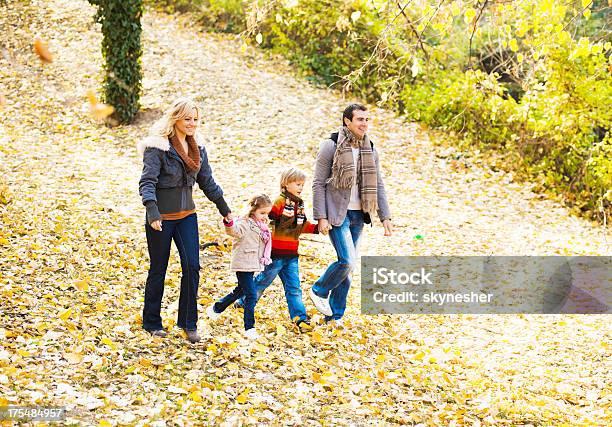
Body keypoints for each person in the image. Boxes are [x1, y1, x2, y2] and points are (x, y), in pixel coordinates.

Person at [138, 97, 232, 343]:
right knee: (159, 268)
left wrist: (224, 208)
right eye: (188, 119)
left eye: (196, 120)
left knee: (192, 266)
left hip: (187, 215)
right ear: (176, 119)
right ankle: (151, 322)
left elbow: (207, 181)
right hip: (161, 218)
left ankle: (189, 323)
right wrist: (152, 211)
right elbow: (147, 182)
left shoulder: (197, 147)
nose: (192, 124)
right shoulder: (157, 147)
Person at [309, 103, 393, 325]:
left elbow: (378, 184)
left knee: (350, 267)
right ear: (347, 121)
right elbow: (318, 183)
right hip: (337, 213)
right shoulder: (331, 145)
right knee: (346, 261)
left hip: (359, 216)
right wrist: (321, 217)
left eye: (367, 119)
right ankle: (319, 290)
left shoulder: (370, 148)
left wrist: (385, 216)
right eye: (360, 119)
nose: (364, 124)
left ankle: (335, 315)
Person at [235, 167, 318, 332]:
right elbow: (265, 217)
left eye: (302, 185)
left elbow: (302, 226)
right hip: (276, 255)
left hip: (292, 256)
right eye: (297, 184)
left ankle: (299, 318)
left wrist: (317, 229)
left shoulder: (299, 205)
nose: (301, 188)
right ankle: (244, 301)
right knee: (262, 282)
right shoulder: (279, 202)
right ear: (286, 184)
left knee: (294, 288)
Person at [207, 194, 273, 340]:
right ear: (252, 210)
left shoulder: (262, 226)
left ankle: (217, 308)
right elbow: (233, 231)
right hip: (243, 263)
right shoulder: (245, 223)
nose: (264, 216)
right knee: (251, 294)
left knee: (240, 291)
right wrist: (228, 223)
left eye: (267, 213)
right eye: (262, 213)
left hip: (252, 264)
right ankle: (249, 327)